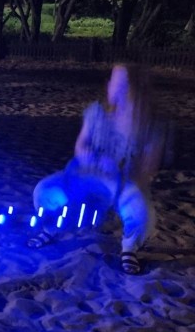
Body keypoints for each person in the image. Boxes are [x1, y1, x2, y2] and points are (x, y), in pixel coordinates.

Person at [28, 64, 164, 275]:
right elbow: (81, 145)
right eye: (114, 83)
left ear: (138, 89)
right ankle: (51, 228)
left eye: (124, 85)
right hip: (84, 176)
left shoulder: (149, 126)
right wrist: (89, 156)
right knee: (44, 190)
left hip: (123, 185)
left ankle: (129, 248)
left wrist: (119, 171)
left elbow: (147, 171)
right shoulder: (97, 113)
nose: (116, 89)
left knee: (142, 213)